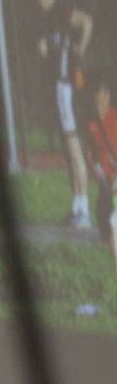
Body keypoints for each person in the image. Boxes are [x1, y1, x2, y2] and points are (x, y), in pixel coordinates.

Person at [35, 0, 95, 228]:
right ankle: (77, 206)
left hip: (67, 86)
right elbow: (54, 45)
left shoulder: (61, 11)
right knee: (68, 149)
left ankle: (85, 211)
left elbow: (87, 21)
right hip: (60, 87)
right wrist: (45, 46)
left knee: (74, 147)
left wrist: (82, 47)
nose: (37, 0)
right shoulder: (49, 20)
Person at [83, 73, 117, 273]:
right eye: (96, 98)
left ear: (108, 96)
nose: (99, 102)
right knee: (106, 226)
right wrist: (96, 171)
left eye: (103, 97)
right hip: (105, 184)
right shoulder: (91, 124)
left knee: (113, 226)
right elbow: (90, 154)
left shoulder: (115, 120)